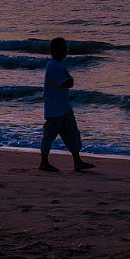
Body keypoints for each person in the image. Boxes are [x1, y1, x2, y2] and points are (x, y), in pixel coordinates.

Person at [39, 35, 93, 173]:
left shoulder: (59, 65)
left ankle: (77, 161)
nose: (65, 51)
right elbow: (67, 83)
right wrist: (70, 80)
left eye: (65, 48)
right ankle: (44, 162)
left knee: (72, 133)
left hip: (64, 107)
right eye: (62, 49)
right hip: (54, 108)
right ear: (55, 51)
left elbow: (68, 82)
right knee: (50, 135)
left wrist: (70, 80)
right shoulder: (53, 66)